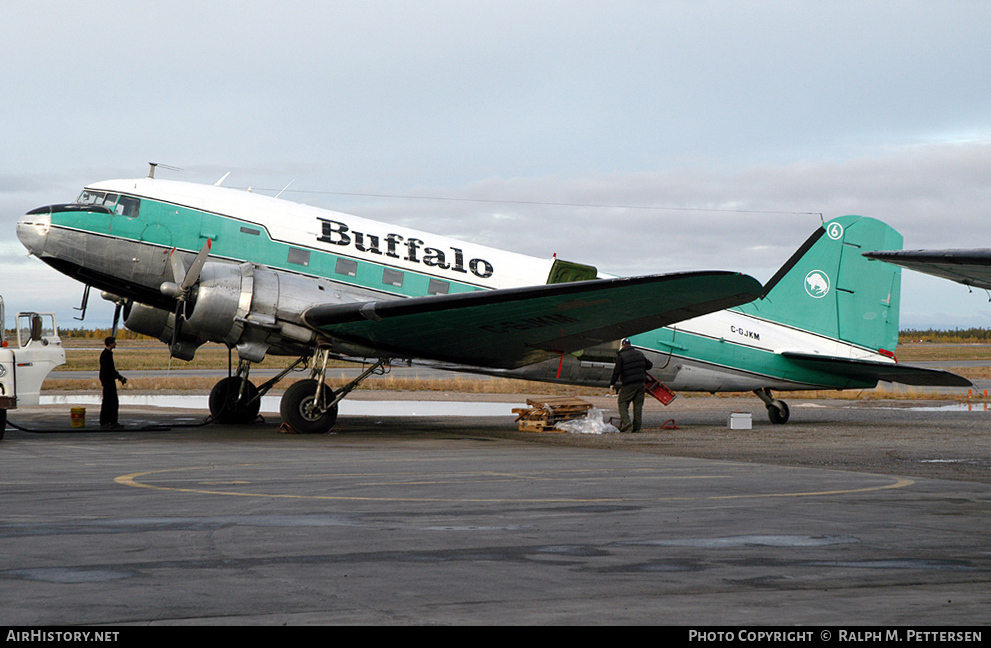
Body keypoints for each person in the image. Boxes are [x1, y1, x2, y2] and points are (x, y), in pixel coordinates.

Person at [609, 338, 653, 433]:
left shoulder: (621, 356)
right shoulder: (640, 354)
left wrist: (612, 383)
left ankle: (626, 422)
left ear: (623, 345)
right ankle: (637, 427)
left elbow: (617, 371)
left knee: (622, 402)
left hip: (629, 384)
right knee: (638, 406)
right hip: (641, 384)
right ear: (630, 345)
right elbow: (649, 365)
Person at [99, 336, 127, 429]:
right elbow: (110, 370)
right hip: (108, 381)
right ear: (110, 344)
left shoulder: (106, 354)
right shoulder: (106, 354)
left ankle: (109, 421)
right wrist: (120, 377)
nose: (115, 344)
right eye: (114, 342)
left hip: (107, 380)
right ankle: (108, 422)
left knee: (109, 401)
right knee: (111, 402)